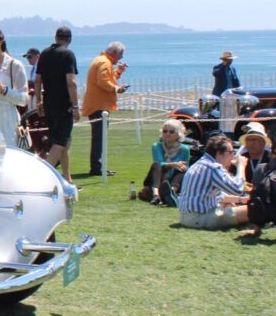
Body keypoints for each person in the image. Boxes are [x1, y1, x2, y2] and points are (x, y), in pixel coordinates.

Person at [35, 27, 79, 183]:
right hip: (63, 104)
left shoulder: (45, 54)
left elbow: (38, 80)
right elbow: (71, 83)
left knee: (63, 141)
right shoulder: (68, 55)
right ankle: (41, 176)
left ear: (55, 37)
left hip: (48, 103)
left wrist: (38, 100)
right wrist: (75, 106)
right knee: (60, 143)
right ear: (69, 39)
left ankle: (67, 178)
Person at [177, 134, 249, 230]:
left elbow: (218, 196)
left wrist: (242, 200)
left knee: (230, 204)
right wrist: (241, 166)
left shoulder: (199, 164)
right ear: (219, 153)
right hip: (200, 219)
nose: (233, 156)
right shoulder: (214, 167)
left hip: (186, 218)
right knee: (252, 210)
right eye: (231, 152)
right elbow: (237, 189)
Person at [81, 42, 129, 176]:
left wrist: (118, 71)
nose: (121, 57)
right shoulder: (105, 62)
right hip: (99, 106)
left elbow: (108, 78)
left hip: (98, 104)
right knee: (99, 138)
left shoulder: (102, 60)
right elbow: (102, 81)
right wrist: (117, 89)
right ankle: (96, 168)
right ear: (115, 53)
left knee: (99, 138)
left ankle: (98, 166)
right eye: (121, 54)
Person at [139, 119, 190, 206]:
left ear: (178, 135)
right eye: (165, 131)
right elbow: (160, 163)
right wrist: (173, 165)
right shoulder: (156, 146)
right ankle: (156, 195)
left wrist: (182, 167)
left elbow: (186, 167)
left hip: (173, 180)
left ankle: (172, 193)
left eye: (171, 132)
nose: (167, 134)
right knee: (156, 165)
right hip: (157, 178)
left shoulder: (185, 149)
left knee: (182, 169)